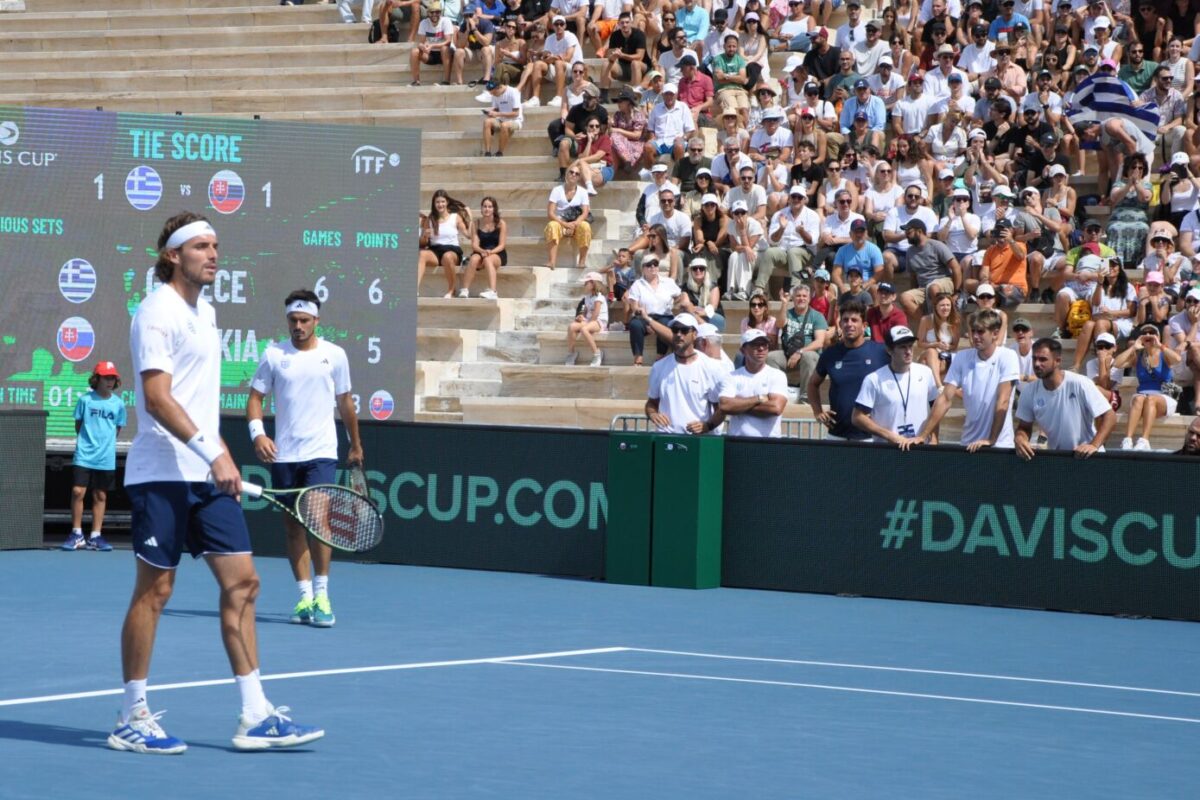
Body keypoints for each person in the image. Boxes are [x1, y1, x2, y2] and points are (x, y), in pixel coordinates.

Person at [113, 213, 323, 755]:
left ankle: (254, 714)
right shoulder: (155, 311)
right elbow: (158, 399)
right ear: (172, 255)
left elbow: (198, 397)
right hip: (162, 472)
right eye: (202, 245)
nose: (213, 253)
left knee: (244, 583)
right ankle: (131, 715)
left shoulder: (206, 311)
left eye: (216, 245)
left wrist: (219, 454)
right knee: (155, 590)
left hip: (206, 474)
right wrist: (215, 451)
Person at [247, 290, 362, 629]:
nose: (298, 326)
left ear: (316, 321)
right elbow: (254, 399)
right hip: (285, 454)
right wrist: (258, 435)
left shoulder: (335, 355)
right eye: (293, 321)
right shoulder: (272, 355)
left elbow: (345, 404)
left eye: (304, 321)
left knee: (318, 518)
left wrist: (355, 444)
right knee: (293, 527)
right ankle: (304, 596)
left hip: (322, 452)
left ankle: (323, 595)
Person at [919, 308, 1021, 450]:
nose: (975, 336)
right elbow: (945, 399)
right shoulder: (962, 357)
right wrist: (923, 436)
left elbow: (1003, 401)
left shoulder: (1008, 356)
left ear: (995, 334)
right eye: (973, 331)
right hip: (968, 443)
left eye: (981, 331)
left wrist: (991, 439)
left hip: (999, 444)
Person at [1014, 338, 1117, 460]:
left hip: (1090, 458)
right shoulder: (1029, 391)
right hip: (1059, 459)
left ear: (1057, 361)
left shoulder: (1081, 383)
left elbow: (1110, 416)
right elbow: (1024, 427)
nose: (1036, 364)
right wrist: (1020, 438)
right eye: (1034, 359)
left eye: (1043, 359)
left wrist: (1093, 445)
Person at [62, 360, 126, 552]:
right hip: (84, 454)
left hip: (105, 457)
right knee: (77, 492)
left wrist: (104, 446)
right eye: (106, 378)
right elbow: (78, 426)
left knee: (100, 494)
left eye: (113, 378)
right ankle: (76, 533)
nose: (110, 382)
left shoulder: (119, 404)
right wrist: (87, 443)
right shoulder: (85, 400)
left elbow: (117, 429)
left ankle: (95, 536)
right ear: (96, 379)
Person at [809, 298, 889, 440]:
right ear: (840, 324)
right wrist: (818, 412)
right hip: (836, 436)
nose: (849, 324)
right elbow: (812, 384)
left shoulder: (880, 352)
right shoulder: (830, 353)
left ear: (864, 325)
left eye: (854, 320)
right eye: (845, 320)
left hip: (871, 438)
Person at [852, 324, 940, 447]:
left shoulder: (925, 372)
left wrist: (934, 437)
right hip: (887, 449)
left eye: (910, 346)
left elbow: (936, 407)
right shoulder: (874, 379)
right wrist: (889, 435)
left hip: (920, 447)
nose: (908, 351)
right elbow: (857, 417)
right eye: (902, 347)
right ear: (889, 350)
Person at [645, 312, 727, 433]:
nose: (679, 334)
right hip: (666, 439)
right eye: (675, 330)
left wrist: (706, 426)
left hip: (698, 440)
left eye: (684, 330)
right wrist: (653, 415)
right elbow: (651, 403)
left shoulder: (711, 367)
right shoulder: (659, 367)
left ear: (694, 334)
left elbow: (720, 409)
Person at [1116, 323, 1182, 451]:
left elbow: (1177, 359)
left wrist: (1160, 345)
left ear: (1158, 336)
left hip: (1163, 397)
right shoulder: (1139, 357)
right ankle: (1127, 440)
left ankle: (1144, 440)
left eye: (1152, 332)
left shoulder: (1164, 354)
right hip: (1142, 397)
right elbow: (1117, 364)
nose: (1148, 335)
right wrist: (1133, 348)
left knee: (1150, 398)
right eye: (1144, 333)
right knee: (1138, 399)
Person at [718, 328, 789, 437]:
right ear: (743, 350)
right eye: (755, 344)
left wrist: (738, 405)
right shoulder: (731, 376)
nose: (761, 348)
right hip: (738, 441)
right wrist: (759, 399)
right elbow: (724, 405)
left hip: (769, 443)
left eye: (764, 344)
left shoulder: (778, 375)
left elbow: (776, 408)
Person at [626, 256, 682, 365]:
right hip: (643, 316)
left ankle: (660, 357)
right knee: (635, 325)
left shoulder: (668, 282)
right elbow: (634, 305)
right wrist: (642, 315)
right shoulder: (637, 284)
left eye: (655, 264)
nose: (653, 267)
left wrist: (678, 303)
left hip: (664, 315)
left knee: (665, 323)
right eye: (649, 264)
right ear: (643, 268)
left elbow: (680, 296)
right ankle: (638, 358)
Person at [423, 188, 471, 297]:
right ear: (434, 204)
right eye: (437, 202)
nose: (440, 204)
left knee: (447, 256)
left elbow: (468, 235)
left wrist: (470, 219)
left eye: (442, 201)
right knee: (422, 255)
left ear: (447, 202)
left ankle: (451, 289)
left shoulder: (455, 217)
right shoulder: (430, 219)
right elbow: (424, 241)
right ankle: (414, 290)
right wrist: (425, 236)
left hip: (452, 250)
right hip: (435, 251)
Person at [544, 165, 591, 268]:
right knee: (552, 225)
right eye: (571, 172)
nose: (573, 175)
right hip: (561, 222)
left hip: (576, 223)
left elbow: (585, 212)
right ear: (567, 174)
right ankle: (552, 261)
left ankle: (582, 261)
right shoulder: (557, 190)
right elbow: (550, 213)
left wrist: (574, 224)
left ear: (579, 178)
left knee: (586, 226)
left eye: (577, 174)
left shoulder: (583, 192)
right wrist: (564, 224)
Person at [565, 271, 609, 365]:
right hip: (590, 320)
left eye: (586, 283)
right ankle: (571, 353)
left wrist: (586, 322)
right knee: (572, 326)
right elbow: (585, 312)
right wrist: (581, 317)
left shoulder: (599, 298)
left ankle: (597, 353)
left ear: (593, 284)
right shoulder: (587, 297)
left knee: (584, 329)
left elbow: (596, 314)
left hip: (599, 322)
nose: (584, 285)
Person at [409, 4, 456, 85]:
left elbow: (448, 41)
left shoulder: (446, 21)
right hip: (430, 54)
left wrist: (432, 45)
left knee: (445, 49)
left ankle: (446, 80)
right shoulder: (423, 23)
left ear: (440, 13)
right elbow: (422, 41)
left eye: (437, 12)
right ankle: (416, 81)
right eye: (432, 12)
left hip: (445, 54)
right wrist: (422, 46)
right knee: (414, 52)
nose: (434, 14)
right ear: (428, 13)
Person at [481, 78, 524, 157]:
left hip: (515, 120)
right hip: (501, 119)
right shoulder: (495, 94)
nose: (492, 95)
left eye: (493, 93)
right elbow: (496, 108)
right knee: (487, 122)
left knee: (504, 125)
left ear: (499, 87)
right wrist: (490, 112)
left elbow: (516, 113)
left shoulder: (513, 92)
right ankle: (487, 152)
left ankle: (500, 152)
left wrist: (497, 114)